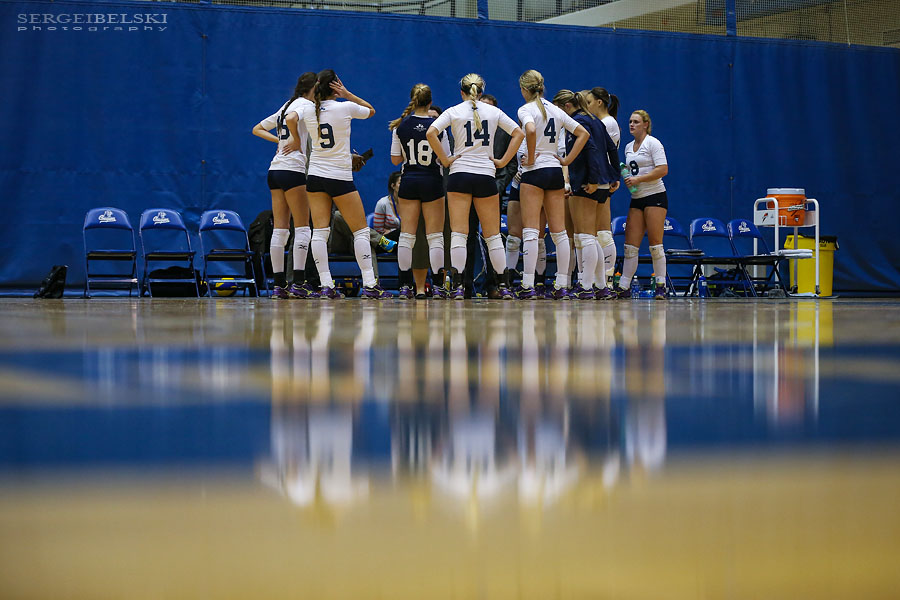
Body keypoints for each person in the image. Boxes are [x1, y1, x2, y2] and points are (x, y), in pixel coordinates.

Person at [426, 73, 524, 300]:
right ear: (481, 91)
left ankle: (459, 287)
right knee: (492, 236)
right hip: (485, 176)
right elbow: (518, 133)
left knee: (459, 234)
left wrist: (446, 159)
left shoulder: (453, 111)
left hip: (459, 175)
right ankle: (504, 285)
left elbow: (431, 132)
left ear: (462, 92)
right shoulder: (494, 111)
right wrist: (501, 161)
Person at [300, 69, 390, 299]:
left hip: (316, 175)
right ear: (335, 86)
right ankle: (370, 284)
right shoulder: (345, 107)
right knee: (360, 230)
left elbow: (291, 119)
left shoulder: (308, 110)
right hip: (339, 176)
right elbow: (371, 110)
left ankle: (326, 285)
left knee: (319, 232)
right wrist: (348, 94)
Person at [515, 70, 589, 300]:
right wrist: (566, 160)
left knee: (530, 231)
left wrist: (532, 155)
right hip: (555, 172)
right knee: (559, 233)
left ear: (525, 89)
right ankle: (562, 285)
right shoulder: (556, 110)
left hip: (534, 172)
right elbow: (582, 133)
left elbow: (529, 129)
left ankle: (528, 284)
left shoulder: (526, 109)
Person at [251, 72, 317, 299]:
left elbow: (257, 128)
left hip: (274, 170)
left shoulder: (286, 105)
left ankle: (279, 285)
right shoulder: (306, 104)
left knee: (280, 229)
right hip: (292, 171)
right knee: (302, 228)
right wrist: (295, 142)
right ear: (314, 89)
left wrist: (280, 142)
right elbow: (292, 121)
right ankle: (298, 282)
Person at [553, 89, 620, 299]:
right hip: (601, 182)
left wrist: (592, 180)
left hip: (587, 183)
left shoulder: (579, 123)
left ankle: (586, 286)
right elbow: (611, 149)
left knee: (585, 237)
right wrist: (614, 175)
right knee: (592, 237)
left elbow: (590, 150)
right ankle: (600, 286)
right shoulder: (596, 120)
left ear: (566, 107)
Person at [389, 84, 449, 299]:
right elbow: (445, 159)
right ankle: (439, 287)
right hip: (432, 181)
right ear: (430, 102)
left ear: (412, 100)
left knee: (406, 235)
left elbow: (395, 159)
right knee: (435, 237)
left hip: (409, 181)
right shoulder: (437, 127)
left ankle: (405, 287)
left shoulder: (401, 126)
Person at [613, 110, 669, 300]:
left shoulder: (653, 143)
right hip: (637, 199)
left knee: (655, 245)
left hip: (655, 196)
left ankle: (661, 285)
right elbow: (630, 171)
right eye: (630, 121)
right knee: (630, 246)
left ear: (646, 124)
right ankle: (624, 286)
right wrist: (627, 179)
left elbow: (663, 169)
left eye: (636, 122)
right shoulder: (628, 147)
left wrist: (639, 179)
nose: (632, 124)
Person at [586, 87, 621, 281]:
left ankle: (607, 278)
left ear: (599, 102)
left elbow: (605, 153)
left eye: (589, 102)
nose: (588, 106)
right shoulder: (603, 122)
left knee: (603, 231)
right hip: (601, 177)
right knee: (595, 232)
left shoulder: (608, 123)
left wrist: (608, 177)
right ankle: (598, 278)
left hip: (602, 179)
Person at [372, 171, 402, 237]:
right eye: (400, 183)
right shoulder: (382, 203)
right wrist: (393, 232)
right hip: (389, 239)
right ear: (393, 186)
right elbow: (378, 230)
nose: (404, 185)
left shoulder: (411, 203)